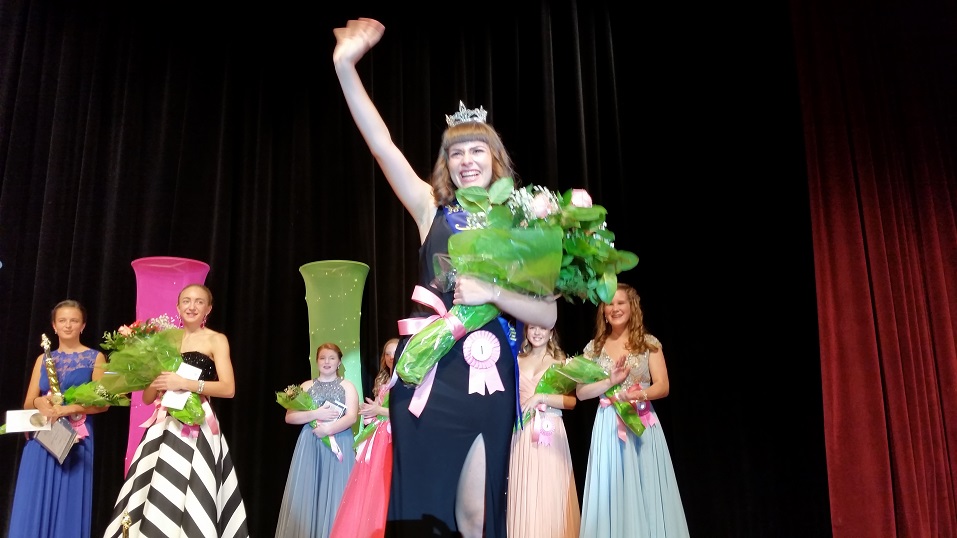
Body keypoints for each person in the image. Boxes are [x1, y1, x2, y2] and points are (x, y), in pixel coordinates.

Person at [333, 18, 558, 538]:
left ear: (495, 158)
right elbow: (381, 143)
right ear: (447, 164)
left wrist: (492, 293)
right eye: (455, 151)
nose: (465, 159)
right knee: (424, 509)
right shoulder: (429, 209)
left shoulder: (523, 222)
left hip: (488, 374)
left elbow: (545, 313)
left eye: (476, 149)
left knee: (477, 514)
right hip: (428, 374)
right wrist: (346, 66)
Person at [103, 284, 250, 538]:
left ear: (208, 309)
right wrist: (152, 375)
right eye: (186, 301)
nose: (192, 306)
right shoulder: (165, 340)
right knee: (158, 487)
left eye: (199, 302)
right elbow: (149, 398)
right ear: (178, 307)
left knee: (193, 489)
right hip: (164, 423)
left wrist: (184, 383)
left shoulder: (216, 339)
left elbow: (228, 388)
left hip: (196, 425)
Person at [576, 283, 690, 537]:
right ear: (603, 311)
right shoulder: (593, 348)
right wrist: (610, 383)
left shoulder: (648, 343)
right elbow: (582, 393)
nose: (615, 308)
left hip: (641, 421)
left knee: (647, 486)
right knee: (612, 490)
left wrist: (638, 394)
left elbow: (663, 385)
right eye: (610, 304)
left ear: (631, 307)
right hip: (608, 426)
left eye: (620, 303)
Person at [6, 300, 109, 538]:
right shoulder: (43, 359)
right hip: (42, 439)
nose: (68, 325)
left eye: (74, 320)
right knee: (33, 498)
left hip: (76, 439)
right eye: (62, 320)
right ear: (54, 325)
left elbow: (103, 404)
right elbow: (29, 401)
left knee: (69, 501)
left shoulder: (95, 358)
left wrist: (67, 409)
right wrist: (40, 402)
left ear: (83, 325)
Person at [275, 342, 359, 538]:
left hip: (339, 443)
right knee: (309, 494)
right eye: (322, 358)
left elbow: (352, 417)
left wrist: (328, 429)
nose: (327, 362)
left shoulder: (348, 386)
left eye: (331, 358)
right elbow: (290, 417)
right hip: (310, 445)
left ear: (339, 362)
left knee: (337, 495)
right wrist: (316, 413)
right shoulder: (306, 386)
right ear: (317, 361)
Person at [507, 324, 581, 538]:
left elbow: (571, 402)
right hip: (522, 432)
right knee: (526, 492)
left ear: (552, 332)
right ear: (526, 331)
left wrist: (541, 398)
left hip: (550, 429)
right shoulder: (516, 359)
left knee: (550, 492)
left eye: (543, 328)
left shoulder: (561, 362)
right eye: (532, 328)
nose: (537, 332)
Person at [329, 337, 398, 538]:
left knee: (387, 479)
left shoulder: (407, 379)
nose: (391, 357)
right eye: (388, 354)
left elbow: (404, 412)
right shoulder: (384, 380)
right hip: (380, 435)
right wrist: (370, 412)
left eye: (395, 353)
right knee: (373, 482)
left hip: (394, 437)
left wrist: (378, 410)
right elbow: (380, 407)